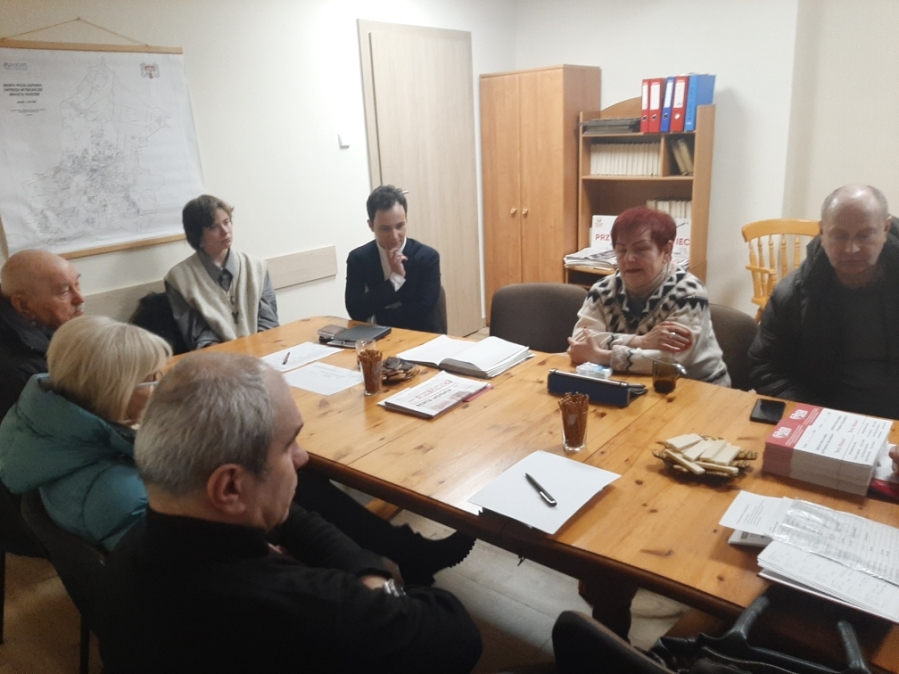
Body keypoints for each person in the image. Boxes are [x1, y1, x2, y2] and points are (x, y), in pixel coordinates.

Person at [100, 352, 482, 673]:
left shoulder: (128, 555)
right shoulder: (313, 609)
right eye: (289, 445)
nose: (303, 458)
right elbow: (459, 635)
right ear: (230, 488)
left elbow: (295, 517)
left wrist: (362, 567)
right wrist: (380, 589)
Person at [0, 315, 170, 550]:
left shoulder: (44, 434)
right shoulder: (123, 496)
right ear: (116, 391)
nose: (157, 388)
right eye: (151, 379)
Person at [748, 184, 899, 420]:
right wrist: (814, 416)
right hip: (823, 418)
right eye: (840, 235)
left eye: (865, 235)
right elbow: (767, 368)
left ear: (885, 229)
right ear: (822, 232)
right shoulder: (793, 294)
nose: (851, 248)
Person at [567, 207, 730, 385]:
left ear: (666, 251)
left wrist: (603, 356)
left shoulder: (689, 292)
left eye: (641, 249)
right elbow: (581, 341)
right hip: (629, 383)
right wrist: (641, 342)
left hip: (698, 387)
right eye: (621, 250)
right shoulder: (602, 289)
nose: (629, 258)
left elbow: (672, 360)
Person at [165, 194, 279, 350]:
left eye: (226, 222)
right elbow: (200, 336)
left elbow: (269, 323)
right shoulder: (179, 279)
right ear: (198, 235)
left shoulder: (257, 267)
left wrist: (257, 354)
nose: (225, 231)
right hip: (217, 359)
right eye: (213, 227)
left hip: (263, 351)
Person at [0, 249, 84, 420]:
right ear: (23, 306)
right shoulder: (20, 369)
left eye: (77, 284)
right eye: (64, 292)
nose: (80, 298)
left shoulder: (46, 326)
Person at [345, 185, 442, 332]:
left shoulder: (427, 258)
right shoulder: (358, 259)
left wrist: (376, 319)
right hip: (375, 338)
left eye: (400, 226)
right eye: (385, 228)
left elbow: (422, 311)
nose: (394, 236)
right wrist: (395, 279)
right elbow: (355, 310)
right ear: (371, 226)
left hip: (422, 336)